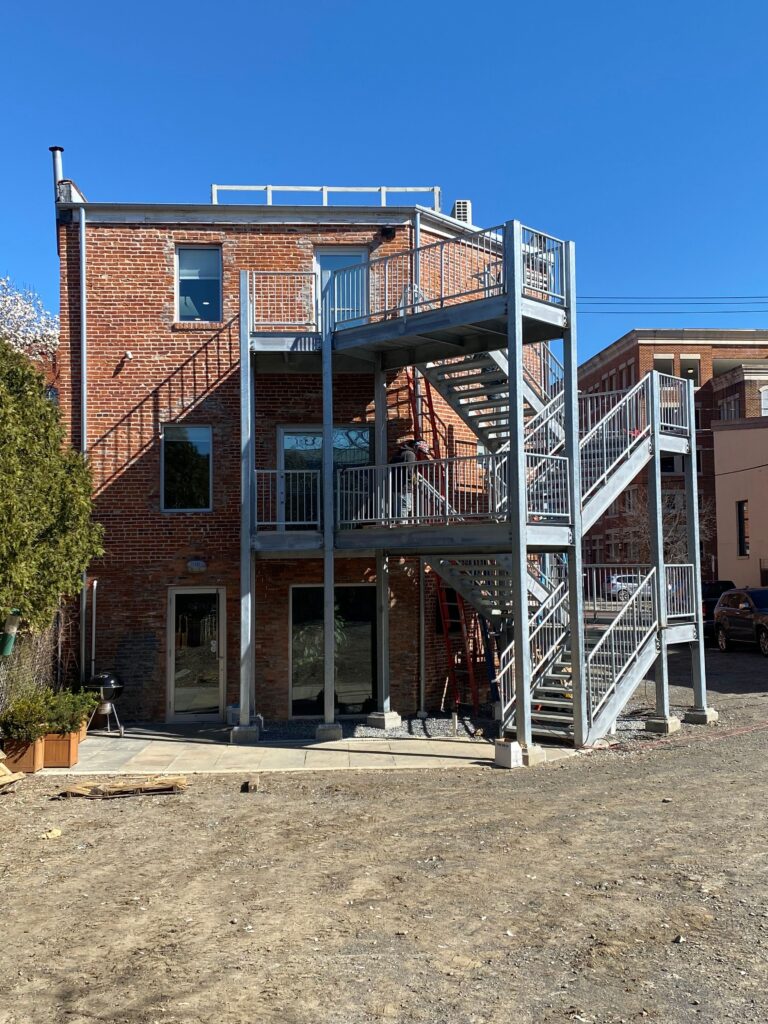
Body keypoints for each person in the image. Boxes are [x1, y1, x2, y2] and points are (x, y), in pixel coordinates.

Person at [390, 439, 430, 523]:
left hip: (396, 486)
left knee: (401, 508)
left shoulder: (401, 453)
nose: (419, 454)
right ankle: (401, 528)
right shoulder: (410, 454)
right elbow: (410, 471)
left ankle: (400, 525)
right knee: (405, 507)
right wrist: (415, 480)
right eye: (419, 451)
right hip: (403, 487)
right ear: (415, 447)